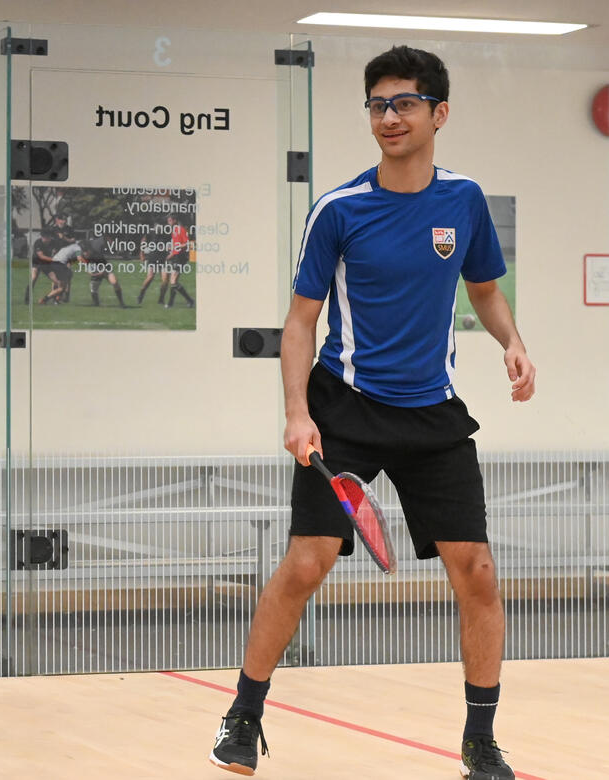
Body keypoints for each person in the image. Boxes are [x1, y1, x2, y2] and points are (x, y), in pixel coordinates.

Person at [207, 46, 535, 780]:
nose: (389, 117)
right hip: (346, 409)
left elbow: (482, 288)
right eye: (378, 105)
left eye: (405, 103)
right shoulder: (340, 208)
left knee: (477, 570)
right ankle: (244, 714)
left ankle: (480, 739)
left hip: (433, 416)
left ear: (438, 113)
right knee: (307, 562)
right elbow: (300, 322)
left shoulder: (465, 201)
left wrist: (512, 341)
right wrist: (297, 412)